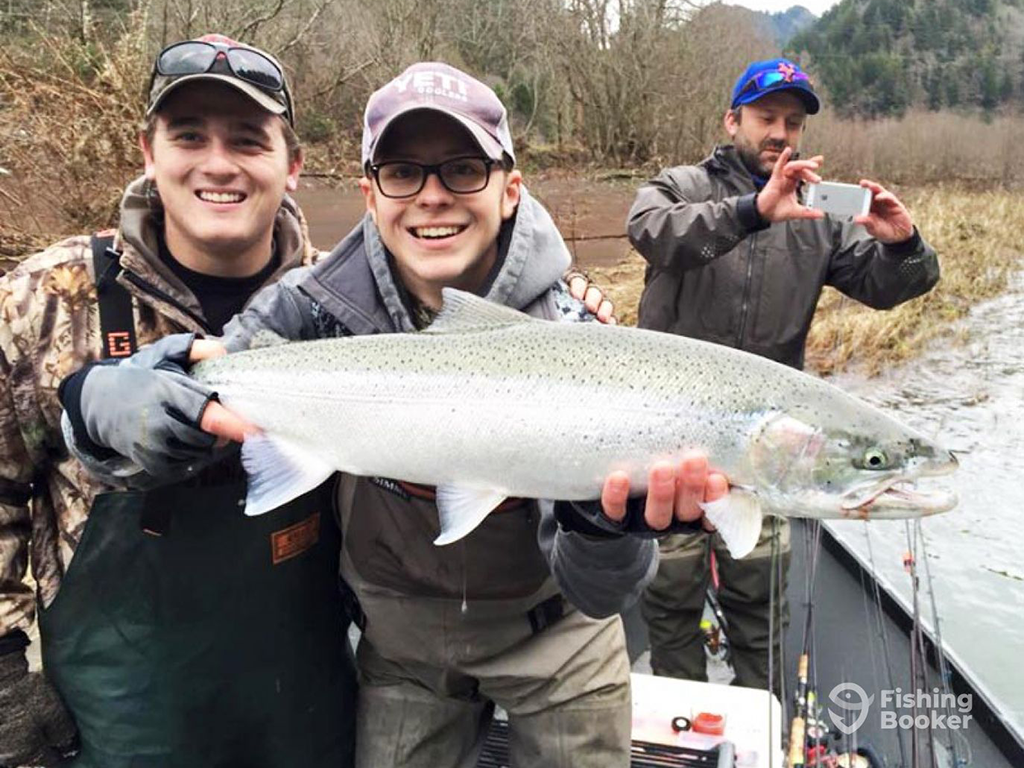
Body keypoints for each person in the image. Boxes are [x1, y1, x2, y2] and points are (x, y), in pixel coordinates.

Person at [62, 62, 730, 767]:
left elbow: (602, 592)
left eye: (463, 169)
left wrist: (604, 525)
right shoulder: (309, 307)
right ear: (370, 196)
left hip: (560, 634)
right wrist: (104, 399)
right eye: (404, 172)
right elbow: (203, 376)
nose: (433, 198)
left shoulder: (578, 331)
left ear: (511, 191)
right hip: (401, 643)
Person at [0, 34, 362, 767]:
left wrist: (568, 305)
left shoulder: (343, 308)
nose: (218, 163)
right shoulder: (46, 300)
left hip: (307, 699)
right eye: (189, 135)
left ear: (292, 166)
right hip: (126, 711)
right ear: (148, 150)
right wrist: (4, 674)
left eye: (248, 140)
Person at [628, 57, 941, 693]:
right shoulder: (682, 186)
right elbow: (652, 234)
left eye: (792, 123)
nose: (781, 133)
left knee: (759, 606)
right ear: (732, 119)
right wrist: (751, 210)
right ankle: (682, 732)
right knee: (668, 601)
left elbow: (889, 287)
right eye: (767, 117)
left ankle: (761, 728)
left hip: (768, 458)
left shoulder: (819, 217)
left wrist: (903, 244)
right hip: (665, 448)